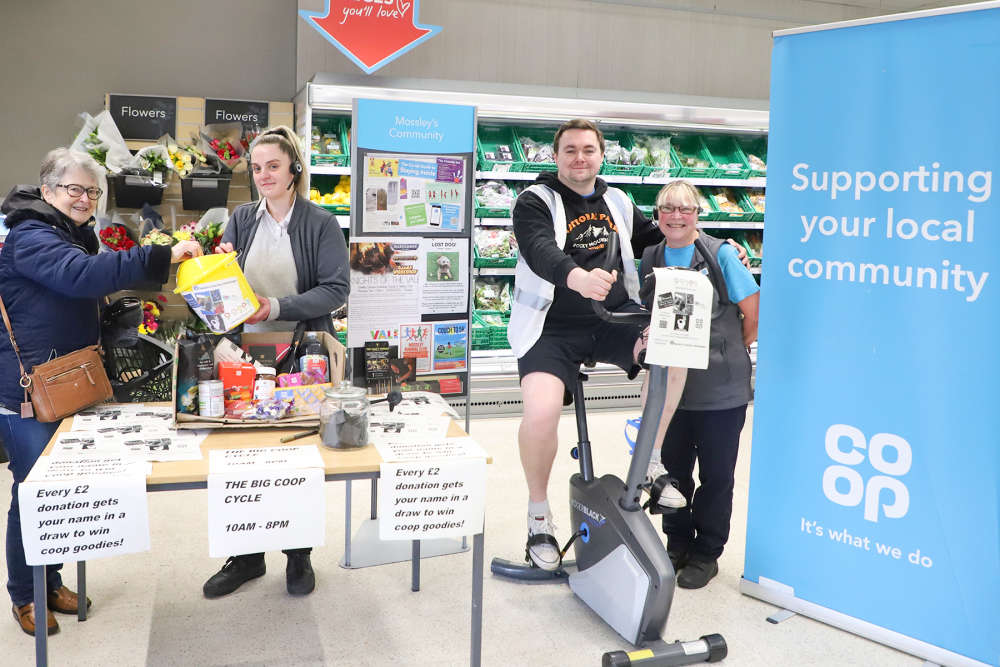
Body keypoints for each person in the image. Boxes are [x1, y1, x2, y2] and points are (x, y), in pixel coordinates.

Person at [0, 148, 202, 636]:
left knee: (63, 491)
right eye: (74, 189)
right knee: (33, 494)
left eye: (92, 191)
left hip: (69, 379)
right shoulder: (30, 236)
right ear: (47, 190)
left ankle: (50, 582)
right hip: (30, 390)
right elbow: (79, 276)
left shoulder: (72, 232)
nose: (85, 199)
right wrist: (163, 254)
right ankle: (25, 595)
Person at [510, 119, 693, 571]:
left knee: (672, 348)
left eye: (588, 150)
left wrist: (712, 244)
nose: (579, 158)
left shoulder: (617, 201)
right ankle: (538, 518)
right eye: (570, 150)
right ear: (555, 157)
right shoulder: (534, 200)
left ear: (601, 155)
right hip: (549, 328)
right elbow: (538, 249)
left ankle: (650, 462)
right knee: (542, 412)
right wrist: (577, 277)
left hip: (612, 320)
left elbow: (656, 239)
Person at [202, 125, 349, 599]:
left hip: (302, 354)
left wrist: (276, 307)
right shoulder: (241, 219)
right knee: (241, 455)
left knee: (296, 455)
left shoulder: (320, 223)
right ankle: (246, 556)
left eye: (273, 166)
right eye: (257, 167)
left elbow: (336, 289)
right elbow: (223, 283)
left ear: (294, 171)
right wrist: (216, 266)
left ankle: (298, 554)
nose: (263, 174)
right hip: (245, 352)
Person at [637, 180, 759, 589]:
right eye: (667, 208)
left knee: (717, 475)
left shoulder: (721, 253)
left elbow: (752, 312)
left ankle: (707, 552)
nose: (676, 216)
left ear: (697, 213)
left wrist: (726, 348)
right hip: (670, 392)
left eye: (685, 208)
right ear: (657, 215)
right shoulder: (651, 255)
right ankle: (676, 543)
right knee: (671, 471)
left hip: (720, 389)